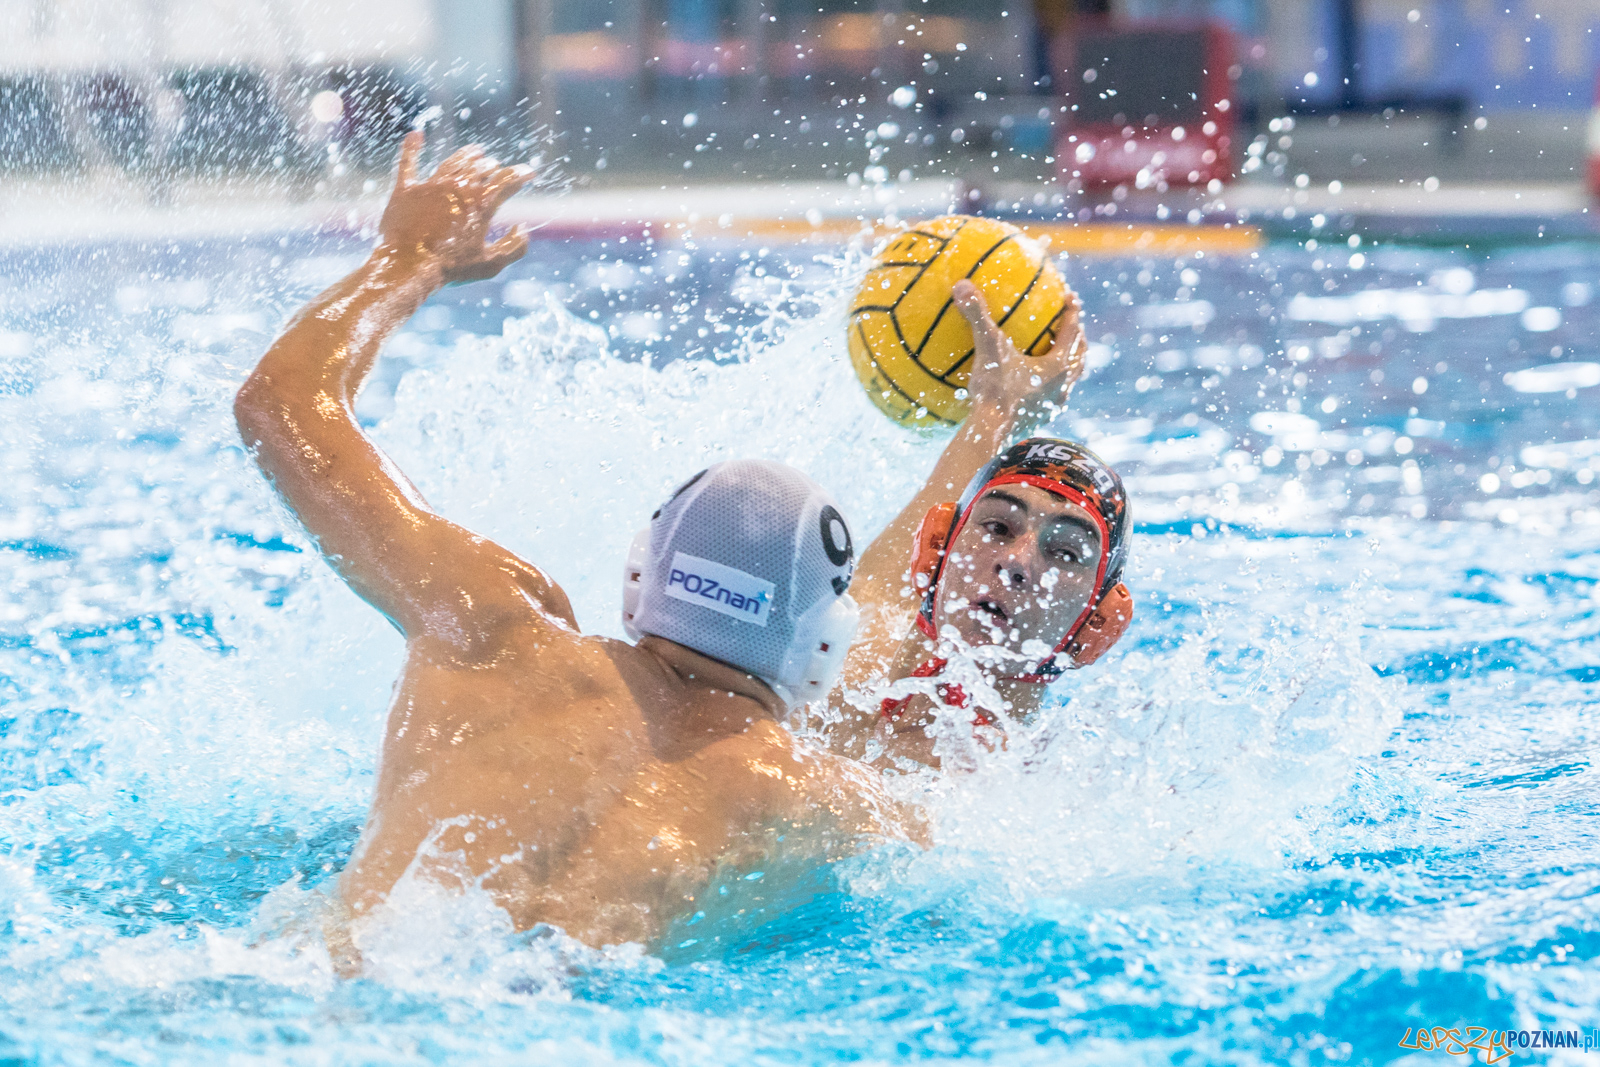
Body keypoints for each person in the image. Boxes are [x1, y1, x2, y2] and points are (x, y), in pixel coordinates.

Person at [233, 130, 918, 953]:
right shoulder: (825, 808)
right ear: (822, 644)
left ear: (641, 574)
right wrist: (990, 424)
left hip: (318, 983)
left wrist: (408, 259)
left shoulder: (488, 624)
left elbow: (280, 406)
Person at [818, 282, 1134, 769]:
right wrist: (997, 406)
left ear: (1095, 625)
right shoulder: (840, 659)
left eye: (1066, 553)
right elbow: (882, 585)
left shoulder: (1032, 798)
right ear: (935, 553)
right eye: (999, 527)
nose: (1016, 563)